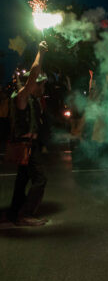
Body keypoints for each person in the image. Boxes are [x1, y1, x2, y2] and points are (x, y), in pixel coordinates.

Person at [7, 41, 49, 226]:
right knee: (40, 179)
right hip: (26, 147)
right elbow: (34, 74)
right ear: (33, 84)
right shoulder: (22, 97)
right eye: (41, 83)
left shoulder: (31, 99)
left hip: (29, 146)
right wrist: (40, 52)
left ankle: (14, 212)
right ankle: (25, 214)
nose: (43, 87)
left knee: (22, 179)